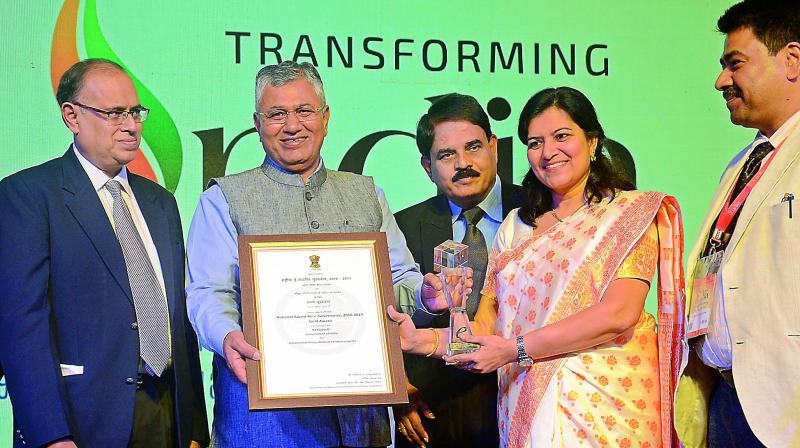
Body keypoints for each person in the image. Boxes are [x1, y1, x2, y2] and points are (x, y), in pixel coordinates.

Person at [389, 87, 686, 448]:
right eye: (534, 142)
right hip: (527, 410)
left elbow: (619, 314)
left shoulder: (628, 214)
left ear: (592, 141)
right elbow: (484, 328)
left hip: (609, 410)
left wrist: (514, 350)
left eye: (562, 136)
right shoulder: (517, 227)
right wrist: (420, 340)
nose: (548, 153)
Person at [186, 61, 454, 447]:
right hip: (263, 424)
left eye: (304, 111)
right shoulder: (222, 199)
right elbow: (208, 292)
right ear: (257, 123)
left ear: (325, 118)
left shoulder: (367, 194)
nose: (292, 125)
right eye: (276, 114)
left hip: (362, 421)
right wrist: (227, 335)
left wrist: (425, 297)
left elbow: (397, 280)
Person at [0, 59, 209, 448]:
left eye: (134, 112)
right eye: (113, 113)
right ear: (71, 116)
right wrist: (51, 436)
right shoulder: (29, 196)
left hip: (167, 417)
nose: (131, 126)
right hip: (82, 421)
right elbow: (21, 328)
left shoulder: (161, 203)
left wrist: (195, 424)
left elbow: (177, 321)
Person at [674, 2, 800, 447]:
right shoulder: (743, 162)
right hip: (727, 396)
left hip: (786, 403)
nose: (720, 81)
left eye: (735, 64)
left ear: (791, 61)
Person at [393, 93, 526, 448]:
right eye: (447, 154)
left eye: (473, 147)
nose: (463, 163)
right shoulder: (402, 226)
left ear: (494, 146)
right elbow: (382, 315)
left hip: (525, 396)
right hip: (434, 415)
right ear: (427, 166)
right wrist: (398, 388)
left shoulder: (538, 211)